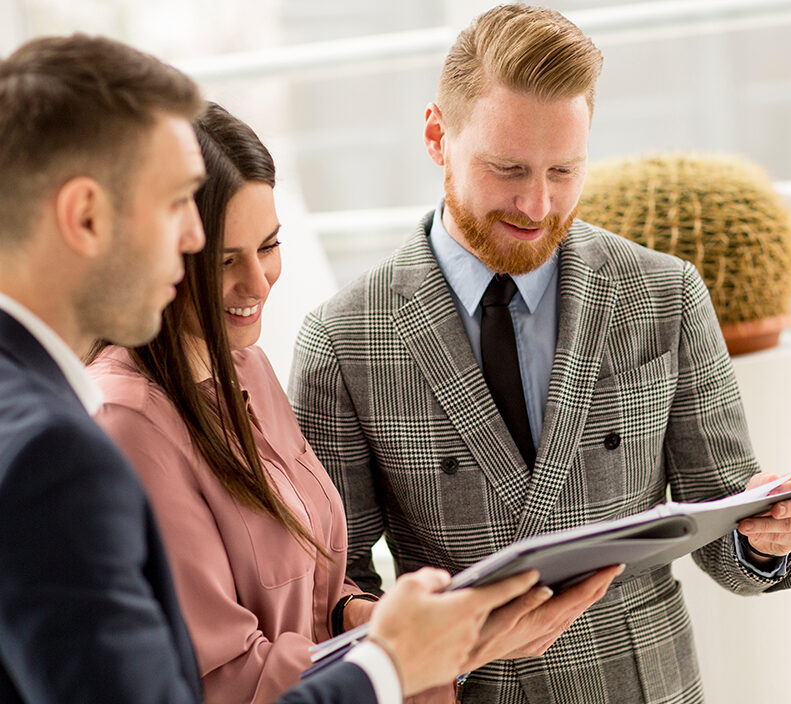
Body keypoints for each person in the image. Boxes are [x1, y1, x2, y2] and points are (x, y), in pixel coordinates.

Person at [0, 33, 603, 704]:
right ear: (83, 216)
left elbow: (310, 573)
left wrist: (362, 620)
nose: (194, 241)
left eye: (267, 244)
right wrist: (402, 662)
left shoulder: (243, 368)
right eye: (177, 208)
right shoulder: (66, 446)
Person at [289, 4, 791, 703]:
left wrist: (765, 536)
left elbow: (724, 528)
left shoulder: (664, 294)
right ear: (436, 136)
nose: (537, 205)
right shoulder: (343, 340)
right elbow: (338, 588)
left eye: (564, 171)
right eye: (507, 168)